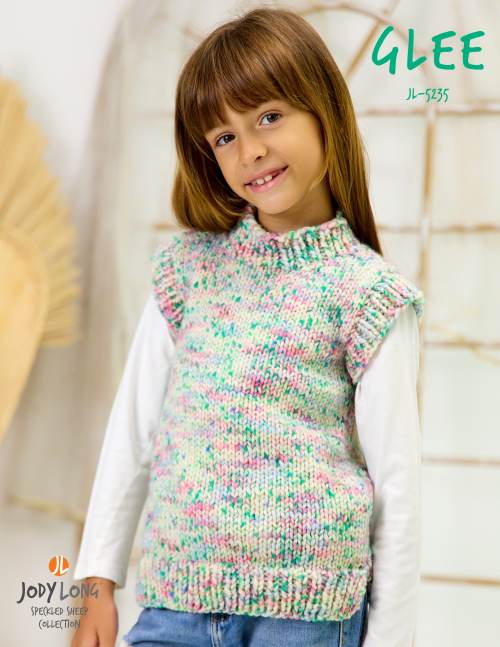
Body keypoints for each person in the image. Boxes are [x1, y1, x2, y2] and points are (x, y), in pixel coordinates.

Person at [72, 7, 425, 647]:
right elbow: (133, 433)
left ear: (323, 111)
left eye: (268, 117)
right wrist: (97, 579)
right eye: (223, 137)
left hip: (307, 618)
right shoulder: (188, 273)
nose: (251, 151)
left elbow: (397, 490)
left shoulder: (369, 294)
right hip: (175, 606)